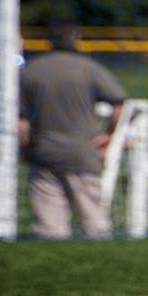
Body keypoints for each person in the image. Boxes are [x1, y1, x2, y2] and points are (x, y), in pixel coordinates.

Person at [18, 20, 125, 240]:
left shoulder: (31, 71)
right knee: (95, 222)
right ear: (77, 39)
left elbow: (21, 122)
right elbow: (119, 105)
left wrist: (26, 149)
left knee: (50, 226)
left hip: (44, 151)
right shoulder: (88, 68)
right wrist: (108, 135)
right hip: (82, 152)